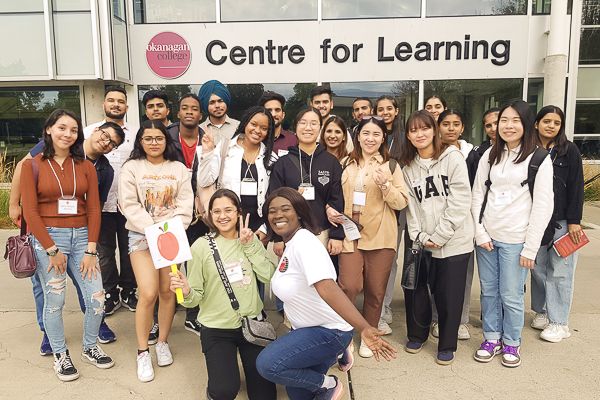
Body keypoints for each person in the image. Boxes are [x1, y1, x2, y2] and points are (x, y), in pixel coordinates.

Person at [256, 187, 397, 400]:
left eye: (286, 209)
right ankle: (337, 355)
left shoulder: (305, 244)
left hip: (329, 332)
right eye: (272, 211)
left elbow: (328, 289)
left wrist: (364, 327)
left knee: (268, 365)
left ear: (300, 212)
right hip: (305, 331)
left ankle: (328, 383)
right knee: (299, 395)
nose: (278, 215)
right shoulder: (291, 245)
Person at [21, 109, 114, 381]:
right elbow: (30, 212)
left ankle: (90, 346)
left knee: (97, 298)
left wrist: (91, 249)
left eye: (73, 130)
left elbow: (95, 209)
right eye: (62, 128)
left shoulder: (84, 166)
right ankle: (60, 354)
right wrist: (51, 249)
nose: (68, 134)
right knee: (55, 300)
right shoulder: (33, 164)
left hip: (83, 237)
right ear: (49, 129)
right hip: (48, 239)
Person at [169, 189, 277, 400]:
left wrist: (251, 247)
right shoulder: (200, 246)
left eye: (228, 209)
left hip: (252, 325)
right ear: (209, 215)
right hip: (217, 329)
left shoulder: (249, 239)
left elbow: (268, 276)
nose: (222, 216)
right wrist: (186, 291)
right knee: (225, 390)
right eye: (216, 211)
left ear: (238, 212)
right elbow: (195, 297)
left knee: (265, 395)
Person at [471, 100, 553, 368]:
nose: (507, 126)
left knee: (512, 295)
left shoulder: (539, 158)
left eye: (515, 120)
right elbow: (477, 195)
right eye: (503, 120)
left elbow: (543, 206)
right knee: (489, 293)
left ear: (527, 124)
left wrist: (531, 248)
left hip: (516, 240)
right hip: (487, 238)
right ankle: (491, 338)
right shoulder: (490, 155)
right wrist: (479, 231)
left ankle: (512, 342)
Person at [118, 120, 193, 382]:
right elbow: (128, 204)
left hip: (172, 237)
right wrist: (153, 230)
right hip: (141, 237)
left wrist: (170, 230)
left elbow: (186, 204)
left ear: (166, 141)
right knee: (148, 293)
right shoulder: (131, 168)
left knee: (168, 291)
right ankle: (142, 351)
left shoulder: (178, 168)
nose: (153, 142)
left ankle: (162, 342)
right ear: (140, 141)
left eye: (158, 138)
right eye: (148, 138)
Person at [399, 110, 474, 365]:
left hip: (454, 241)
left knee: (448, 295)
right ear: (408, 136)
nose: (419, 134)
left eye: (424, 128)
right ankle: (417, 335)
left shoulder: (452, 157)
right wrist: (419, 235)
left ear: (434, 130)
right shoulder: (408, 167)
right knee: (416, 289)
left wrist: (441, 234)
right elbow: (411, 207)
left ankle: (447, 345)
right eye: (413, 130)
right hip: (422, 241)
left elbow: (461, 199)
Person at [337, 116, 409, 358]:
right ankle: (344, 335)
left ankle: (369, 334)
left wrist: (386, 186)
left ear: (383, 138)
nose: (370, 138)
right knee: (349, 285)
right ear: (358, 136)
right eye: (366, 133)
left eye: (376, 134)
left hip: (380, 234)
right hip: (350, 233)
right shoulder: (346, 162)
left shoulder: (391, 166)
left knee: (375, 291)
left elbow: (402, 201)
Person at [530, 105, 584, 343]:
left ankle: (559, 322)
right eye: (546, 121)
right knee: (538, 268)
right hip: (536, 221)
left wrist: (574, 221)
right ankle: (542, 311)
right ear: (536, 123)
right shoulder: (529, 150)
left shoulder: (568, 151)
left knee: (560, 271)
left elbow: (576, 186)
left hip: (562, 221)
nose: (551, 126)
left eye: (556, 122)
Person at [84, 86, 137, 319]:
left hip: (127, 204)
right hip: (101, 205)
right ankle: (110, 292)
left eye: (120, 101)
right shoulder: (89, 132)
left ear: (127, 106)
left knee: (129, 250)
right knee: (105, 251)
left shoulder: (135, 134)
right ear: (104, 104)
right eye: (111, 100)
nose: (116, 104)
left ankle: (129, 290)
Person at [268, 108, 344, 258]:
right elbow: (273, 201)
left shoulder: (331, 162)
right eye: (303, 123)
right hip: (289, 234)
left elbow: (337, 199)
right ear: (295, 127)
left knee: (320, 280)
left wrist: (336, 235)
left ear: (320, 128)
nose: (308, 128)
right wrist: (277, 237)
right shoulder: (283, 163)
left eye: (314, 123)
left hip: (321, 234)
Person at [431, 109, 478, 340]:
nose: (451, 128)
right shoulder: (431, 153)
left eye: (456, 124)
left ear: (462, 128)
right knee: (438, 278)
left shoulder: (472, 154)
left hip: (463, 223)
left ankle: (460, 321)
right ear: (437, 127)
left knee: (462, 278)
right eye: (446, 123)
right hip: (437, 224)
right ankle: (437, 319)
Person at [166, 93, 208, 336]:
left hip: (200, 215)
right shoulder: (167, 138)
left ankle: (192, 314)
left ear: (200, 115)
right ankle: (163, 316)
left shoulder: (209, 139)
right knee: (169, 265)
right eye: (185, 108)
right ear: (178, 113)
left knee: (195, 264)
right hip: (171, 213)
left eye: (194, 108)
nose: (190, 112)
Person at [200, 106, 276, 241]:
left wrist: (265, 228)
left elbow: (273, 195)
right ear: (245, 123)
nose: (257, 131)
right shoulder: (225, 148)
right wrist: (208, 152)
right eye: (253, 124)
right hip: (227, 223)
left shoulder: (270, 157)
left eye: (264, 128)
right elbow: (204, 181)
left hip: (257, 227)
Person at [374, 96, 406, 333]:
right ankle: (376, 309)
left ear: (396, 111)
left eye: (389, 108)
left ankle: (383, 309)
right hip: (372, 209)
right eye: (380, 109)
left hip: (399, 203)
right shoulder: (369, 135)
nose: (385, 112)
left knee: (389, 260)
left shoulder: (405, 137)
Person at [199, 79, 240, 144]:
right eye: (212, 102)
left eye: (220, 101)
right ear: (205, 105)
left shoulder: (239, 127)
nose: (217, 106)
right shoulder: (199, 130)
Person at [258, 91, 298, 157]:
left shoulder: (293, 140)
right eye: (269, 110)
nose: (273, 114)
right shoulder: (255, 138)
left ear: (283, 115)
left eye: (277, 110)